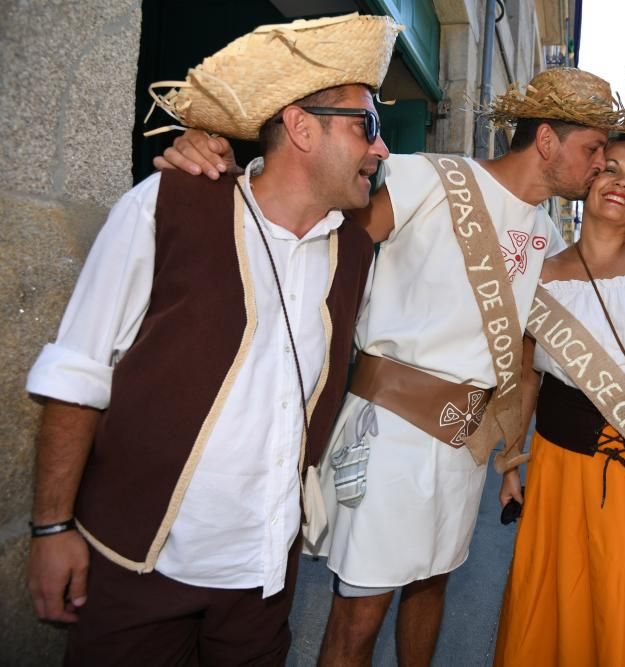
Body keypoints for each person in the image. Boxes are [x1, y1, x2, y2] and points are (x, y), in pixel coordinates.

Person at [157, 68, 625, 666]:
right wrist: (243, 172)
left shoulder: (550, 240)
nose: (602, 164)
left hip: (464, 444)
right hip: (390, 433)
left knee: (433, 585)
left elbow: (530, 355)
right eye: (594, 148)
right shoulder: (429, 178)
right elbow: (322, 239)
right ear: (547, 141)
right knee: (359, 616)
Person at [24, 15, 399, 664]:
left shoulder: (356, 254)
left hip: (260, 585)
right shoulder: (167, 205)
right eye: (366, 125)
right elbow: (77, 373)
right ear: (302, 126)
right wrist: (52, 526)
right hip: (139, 571)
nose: (382, 148)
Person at [493, 134, 625, 666]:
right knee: (558, 605)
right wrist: (510, 464)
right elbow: (527, 380)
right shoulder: (540, 277)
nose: (621, 183)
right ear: (587, 181)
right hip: (561, 471)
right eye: (610, 169)